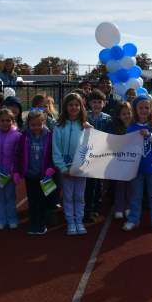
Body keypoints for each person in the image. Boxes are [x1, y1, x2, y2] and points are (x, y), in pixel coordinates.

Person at [123, 95, 152, 232]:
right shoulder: (131, 127)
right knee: (136, 195)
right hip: (136, 168)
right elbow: (126, 146)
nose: (144, 110)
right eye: (140, 107)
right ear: (135, 109)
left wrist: (149, 135)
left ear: (151, 109)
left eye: (147, 107)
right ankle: (133, 219)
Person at [52, 93, 91, 236]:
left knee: (79, 196)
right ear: (65, 107)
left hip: (81, 169)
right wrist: (62, 167)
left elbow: (92, 146)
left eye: (77, 105)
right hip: (66, 169)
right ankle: (70, 221)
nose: (74, 107)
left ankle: (79, 221)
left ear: (81, 107)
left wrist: (84, 166)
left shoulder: (86, 126)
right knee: (68, 196)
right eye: (70, 105)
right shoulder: (59, 126)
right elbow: (56, 149)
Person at [18, 110, 55, 235]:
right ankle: (33, 222)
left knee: (43, 200)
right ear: (28, 124)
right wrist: (20, 170)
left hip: (44, 175)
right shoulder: (24, 136)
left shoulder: (50, 136)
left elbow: (53, 154)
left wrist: (51, 167)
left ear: (44, 123)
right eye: (33, 125)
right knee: (33, 200)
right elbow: (20, 154)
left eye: (39, 124)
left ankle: (42, 223)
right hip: (30, 175)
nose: (36, 127)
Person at [0, 108, 22, 230]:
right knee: (0, 198)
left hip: (10, 174)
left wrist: (13, 171)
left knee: (10, 197)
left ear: (12, 121)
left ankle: (12, 218)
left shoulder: (17, 136)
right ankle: (1, 219)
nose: (5, 123)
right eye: (2, 120)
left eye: (8, 120)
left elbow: (17, 155)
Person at [85, 89, 113, 223]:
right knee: (89, 183)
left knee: (98, 183)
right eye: (94, 102)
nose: (96, 104)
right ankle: (88, 208)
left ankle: (95, 207)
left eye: (99, 102)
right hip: (87, 155)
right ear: (89, 103)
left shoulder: (108, 118)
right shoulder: (85, 117)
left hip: (101, 155)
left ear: (104, 103)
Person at [112, 102, 134, 219]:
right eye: (123, 114)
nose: (126, 116)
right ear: (119, 116)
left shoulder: (135, 127)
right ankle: (119, 207)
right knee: (120, 185)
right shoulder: (116, 128)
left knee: (130, 186)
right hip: (119, 162)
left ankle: (128, 207)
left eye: (128, 113)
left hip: (132, 162)